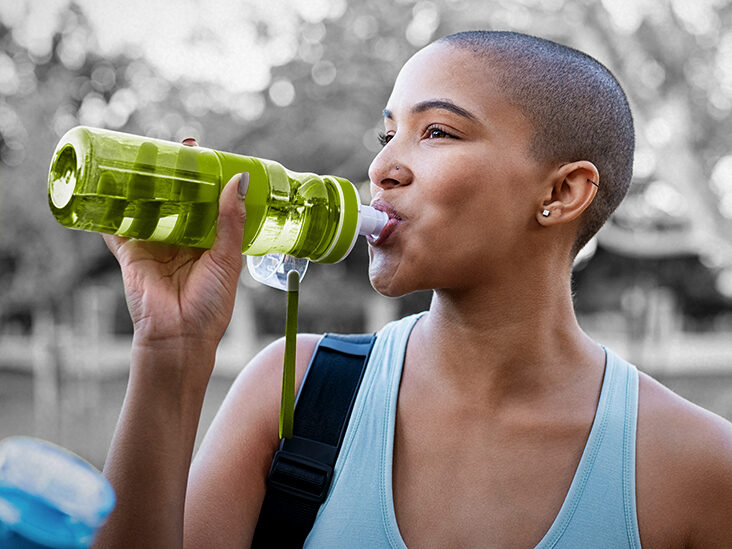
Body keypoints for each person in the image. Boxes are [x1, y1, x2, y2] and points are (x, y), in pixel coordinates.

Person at [94, 31, 732, 548]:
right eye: (387, 133)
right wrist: (169, 348)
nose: (380, 168)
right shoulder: (295, 394)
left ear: (562, 192)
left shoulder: (699, 467)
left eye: (437, 133)